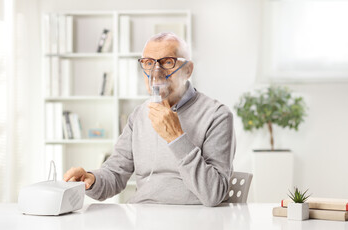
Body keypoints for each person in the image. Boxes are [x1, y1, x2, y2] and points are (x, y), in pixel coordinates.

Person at [63, 32, 236, 207]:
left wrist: (176, 137)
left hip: (195, 221)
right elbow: (115, 174)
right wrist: (91, 179)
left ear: (188, 70)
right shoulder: (139, 115)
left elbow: (214, 193)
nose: (156, 72)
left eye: (167, 62)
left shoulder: (217, 115)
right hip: (144, 219)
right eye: (148, 63)